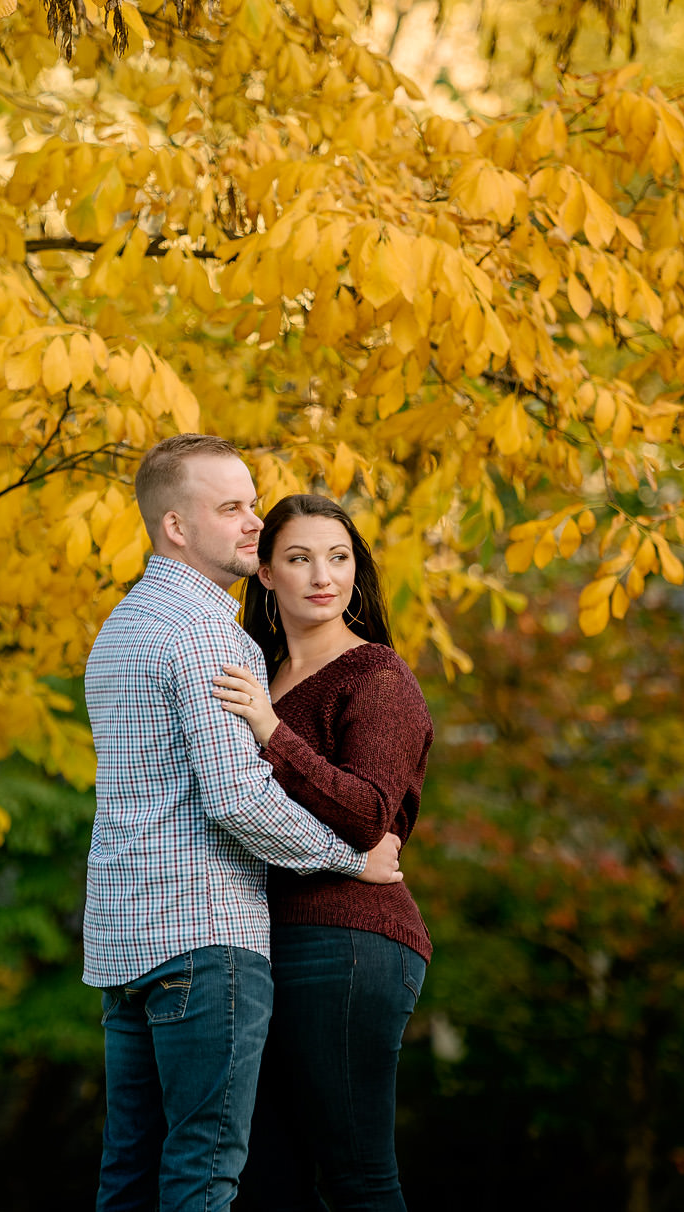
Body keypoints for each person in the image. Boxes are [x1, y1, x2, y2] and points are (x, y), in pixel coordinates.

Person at [85, 436, 407, 1212]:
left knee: (128, 1171)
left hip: (123, 944)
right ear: (174, 526)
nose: (252, 524)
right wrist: (347, 857)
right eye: (230, 508)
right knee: (203, 1174)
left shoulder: (120, 627)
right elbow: (236, 799)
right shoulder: (209, 635)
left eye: (251, 504)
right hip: (205, 937)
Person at [211, 493, 435, 1212]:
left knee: (356, 1176)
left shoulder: (375, 676)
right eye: (300, 558)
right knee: (266, 1178)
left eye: (338, 558)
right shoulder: (257, 671)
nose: (322, 576)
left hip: (349, 941)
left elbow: (370, 816)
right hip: (259, 946)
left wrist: (273, 732)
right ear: (266, 574)